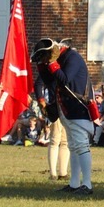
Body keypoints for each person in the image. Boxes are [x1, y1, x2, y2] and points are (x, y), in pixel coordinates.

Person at [32, 37, 96, 195]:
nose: (46, 60)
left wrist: (52, 63)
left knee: (81, 146)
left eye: (45, 56)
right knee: (73, 146)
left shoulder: (72, 57)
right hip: (65, 108)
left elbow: (65, 79)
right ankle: (74, 183)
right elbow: (49, 82)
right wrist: (42, 66)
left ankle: (87, 184)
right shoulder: (59, 59)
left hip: (77, 107)